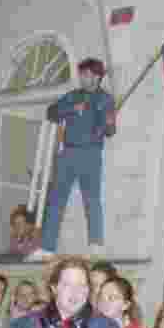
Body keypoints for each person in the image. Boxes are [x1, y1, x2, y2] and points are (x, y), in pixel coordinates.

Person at [41, 57, 117, 251]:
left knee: (92, 200)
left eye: (87, 74)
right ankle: (47, 248)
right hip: (68, 153)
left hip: (90, 154)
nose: (82, 78)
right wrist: (71, 108)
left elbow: (110, 132)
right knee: (56, 201)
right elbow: (51, 112)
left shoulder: (106, 99)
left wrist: (108, 122)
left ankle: (96, 245)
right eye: (82, 74)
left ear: (97, 77)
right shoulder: (73, 96)